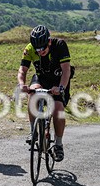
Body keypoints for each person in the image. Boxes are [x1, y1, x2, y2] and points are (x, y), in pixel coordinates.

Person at [18, 25, 72, 161]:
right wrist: (22, 84)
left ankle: (58, 144)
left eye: (42, 48)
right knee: (32, 94)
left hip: (59, 80)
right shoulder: (30, 48)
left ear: (48, 41)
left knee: (58, 109)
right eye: (37, 49)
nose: (40, 51)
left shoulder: (60, 45)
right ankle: (33, 132)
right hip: (41, 78)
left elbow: (66, 71)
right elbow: (22, 70)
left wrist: (60, 88)